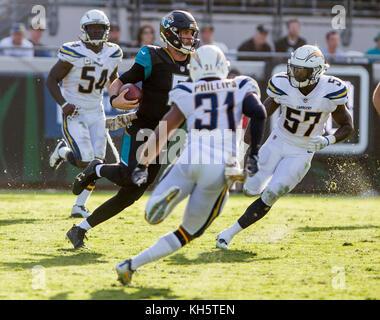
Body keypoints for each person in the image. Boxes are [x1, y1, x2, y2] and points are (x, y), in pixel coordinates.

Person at [114, 45, 267, 285]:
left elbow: (165, 127)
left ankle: (135, 255)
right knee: (188, 232)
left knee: (150, 215)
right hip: (219, 168)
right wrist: (254, 154)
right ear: (223, 66)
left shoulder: (188, 89)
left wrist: (143, 163)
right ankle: (130, 266)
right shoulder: (240, 85)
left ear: (194, 69)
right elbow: (259, 112)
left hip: (189, 159)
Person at [65, 10, 200, 249]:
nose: (189, 38)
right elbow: (121, 80)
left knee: (133, 193)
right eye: (185, 33)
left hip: (169, 134)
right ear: (170, 34)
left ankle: (79, 230)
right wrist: (116, 98)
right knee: (129, 175)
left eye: (191, 33)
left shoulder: (198, 62)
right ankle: (96, 168)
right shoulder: (152, 55)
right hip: (144, 127)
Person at [216, 45, 354, 249]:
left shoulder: (331, 89)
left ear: (316, 72)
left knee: (272, 194)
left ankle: (227, 234)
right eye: (294, 68)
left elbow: (348, 126)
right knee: (249, 189)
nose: (296, 74)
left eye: (302, 71)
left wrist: (328, 140)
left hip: (302, 151)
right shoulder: (283, 83)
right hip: (278, 141)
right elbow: (260, 115)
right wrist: (245, 150)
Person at [46, 9, 122, 218]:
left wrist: (120, 95)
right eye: (92, 28)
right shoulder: (73, 52)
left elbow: (113, 78)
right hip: (75, 110)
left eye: (101, 28)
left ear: (106, 31)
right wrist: (63, 104)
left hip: (96, 110)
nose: (97, 32)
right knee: (85, 160)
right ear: (84, 30)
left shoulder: (113, 52)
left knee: (97, 162)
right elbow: (51, 79)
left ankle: (79, 206)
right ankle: (62, 151)